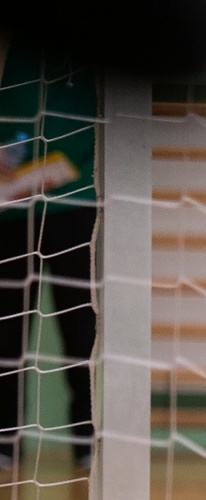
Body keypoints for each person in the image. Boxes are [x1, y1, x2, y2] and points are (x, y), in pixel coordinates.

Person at [0, 41, 98, 470]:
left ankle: (87, 442)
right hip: (8, 210)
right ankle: (4, 443)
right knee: (6, 333)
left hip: (77, 208)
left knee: (82, 331)